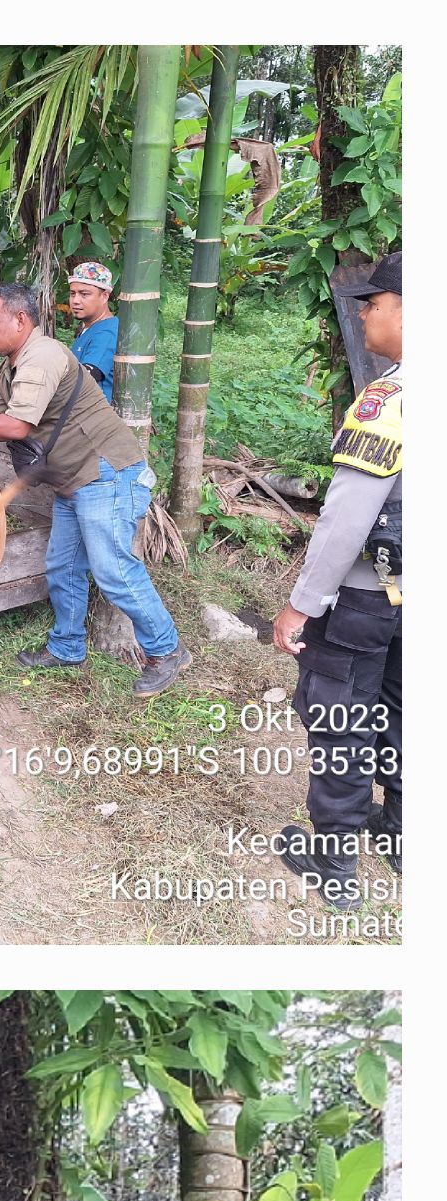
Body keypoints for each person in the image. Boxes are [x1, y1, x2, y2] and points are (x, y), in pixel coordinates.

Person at [0, 281, 188, 693]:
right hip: (71, 481)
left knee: (114, 572)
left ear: (21, 320)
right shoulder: (7, 370)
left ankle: (167, 650)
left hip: (107, 473)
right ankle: (68, 647)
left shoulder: (44, 355)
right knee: (63, 567)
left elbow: (15, 426)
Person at [271, 251, 402, 910]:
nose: (368, 313)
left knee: (341, 716)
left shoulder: (389, 400)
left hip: (371, 589)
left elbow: (348, 520)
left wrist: (301, 606)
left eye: (375, 303)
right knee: (406, 712)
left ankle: (335, 862)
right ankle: (404, 835)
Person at [65, 263, 121, 400]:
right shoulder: (88, 327)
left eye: (84, 294)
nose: (75, 301)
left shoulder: (107, 332)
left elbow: (88, 375)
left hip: (92, 417)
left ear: (105, 296)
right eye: (73, 294)